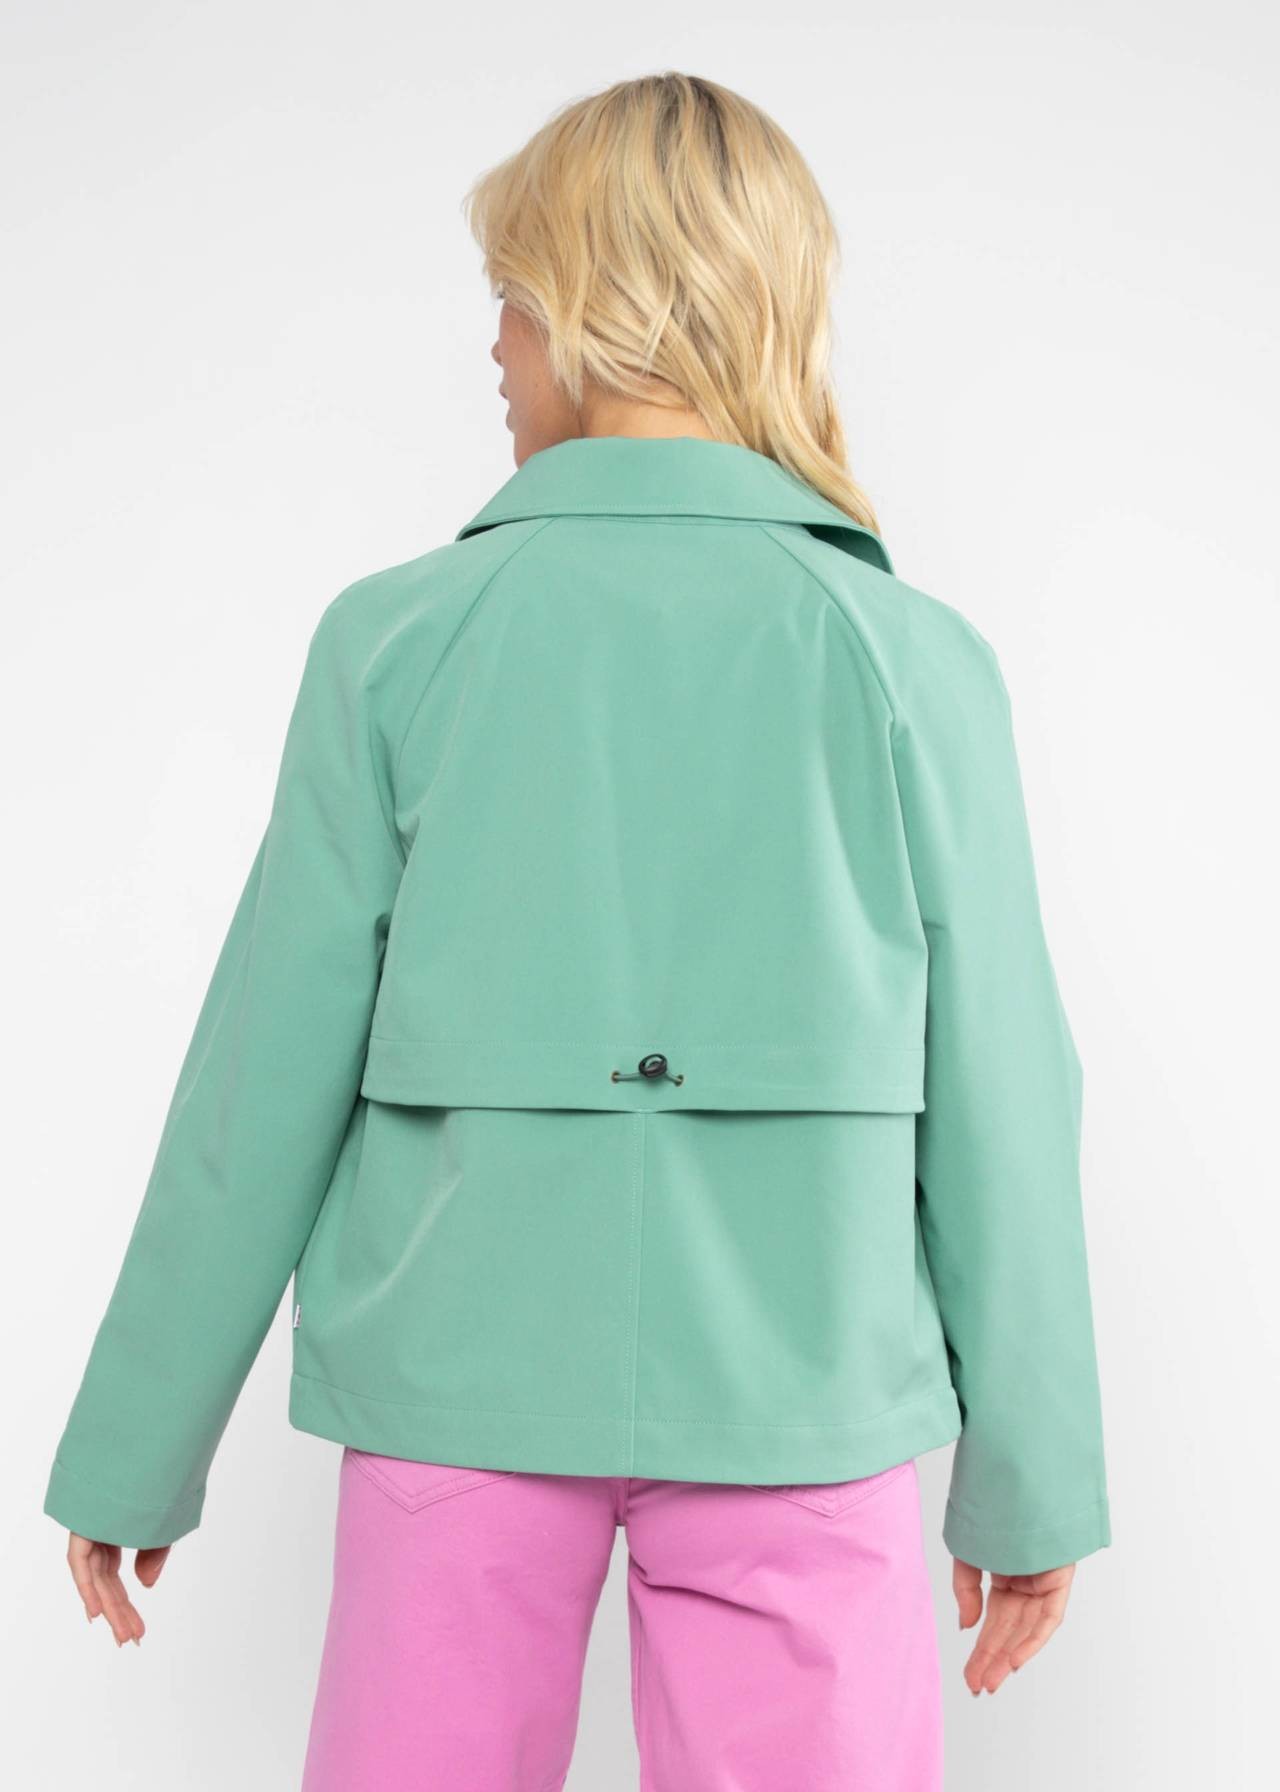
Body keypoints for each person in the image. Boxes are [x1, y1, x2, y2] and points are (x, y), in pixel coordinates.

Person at [44, 71, 1110, 1791]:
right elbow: (1004, 1088)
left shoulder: (399, 643)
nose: (492, 347)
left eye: (510, 297)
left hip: (457, 1387)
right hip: (803, 1393)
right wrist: (1034, 1480)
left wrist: (133, 1449)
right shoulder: (909, 659)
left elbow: (259, 1079)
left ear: (602, 308)